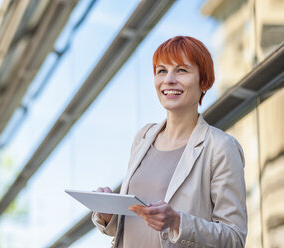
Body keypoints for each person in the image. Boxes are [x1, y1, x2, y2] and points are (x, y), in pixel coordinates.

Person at [91, 36, 247, 248]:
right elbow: (138, 223)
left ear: (203, 81)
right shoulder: (143, 138)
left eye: (181, 70)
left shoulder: (220, 147)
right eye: (162, 71)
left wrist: (178, 222)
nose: (169, 80)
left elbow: (234, 238)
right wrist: (109, 215)